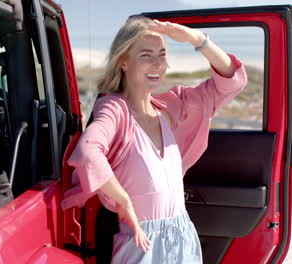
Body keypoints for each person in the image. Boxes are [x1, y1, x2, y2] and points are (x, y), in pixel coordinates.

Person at [61, 16, 247, 263]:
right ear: (123, 61)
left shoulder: (171, 107)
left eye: (162, 54)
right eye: (146, 55)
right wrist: (123, 200)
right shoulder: (114, 110)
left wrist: (196, 39)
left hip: (183, 237)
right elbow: (87, 153)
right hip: (141, 243)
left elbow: (232, 82)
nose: (158, 64)